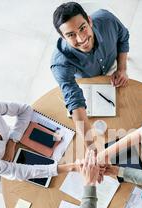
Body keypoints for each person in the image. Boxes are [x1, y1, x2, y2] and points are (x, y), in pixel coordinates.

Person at [51, 2, 129, 146]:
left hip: (112, 64)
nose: (81, 39)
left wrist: (122, 69)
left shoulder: (107, 20)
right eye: (71, 35)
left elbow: (123, 37)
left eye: (82, 28)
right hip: (88, 79)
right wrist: (91, 148)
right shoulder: (60, 63)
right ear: (63, 38)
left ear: (89, 20)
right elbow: (74, 101)